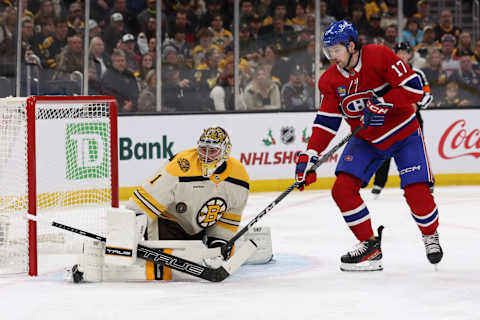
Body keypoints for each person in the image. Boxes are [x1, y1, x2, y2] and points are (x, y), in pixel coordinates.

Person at [295, 20, 442, 272]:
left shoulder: (379, 55)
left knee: (417, 194)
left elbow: (413, 89)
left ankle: (430, 234)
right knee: (342, 190)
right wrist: (311, 154)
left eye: (336, 50)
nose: (332, 56)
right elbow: (327, 121)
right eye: (329, 51)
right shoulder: (330, 80)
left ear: (351, 46)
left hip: (404, 133)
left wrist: (382, 103)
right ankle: (370, 246)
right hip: (366, 140)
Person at [67, 127, 251, 282]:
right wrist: (127, 237)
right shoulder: (182, 166)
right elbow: (142, 204)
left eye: (213, 151)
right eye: (203, 149)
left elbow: (228, 218)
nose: (206, 156)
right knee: (163, 273)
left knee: (193, 265)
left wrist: (218, 243)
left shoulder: (239, 177)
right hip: (166, 222)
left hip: (198, 229)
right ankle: (94, 263)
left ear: (225, 151)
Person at [371, 42, 433, 198]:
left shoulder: (417, 73)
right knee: (385, 147)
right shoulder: (387, 73)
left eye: (405, 53)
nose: (402, 56)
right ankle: (379, 183)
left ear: (409, 55)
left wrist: (418, 105)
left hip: (413, 118)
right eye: (399, 53)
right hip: (391, 117)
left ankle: (424, 182)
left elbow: (427, 95)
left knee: (417, 149)